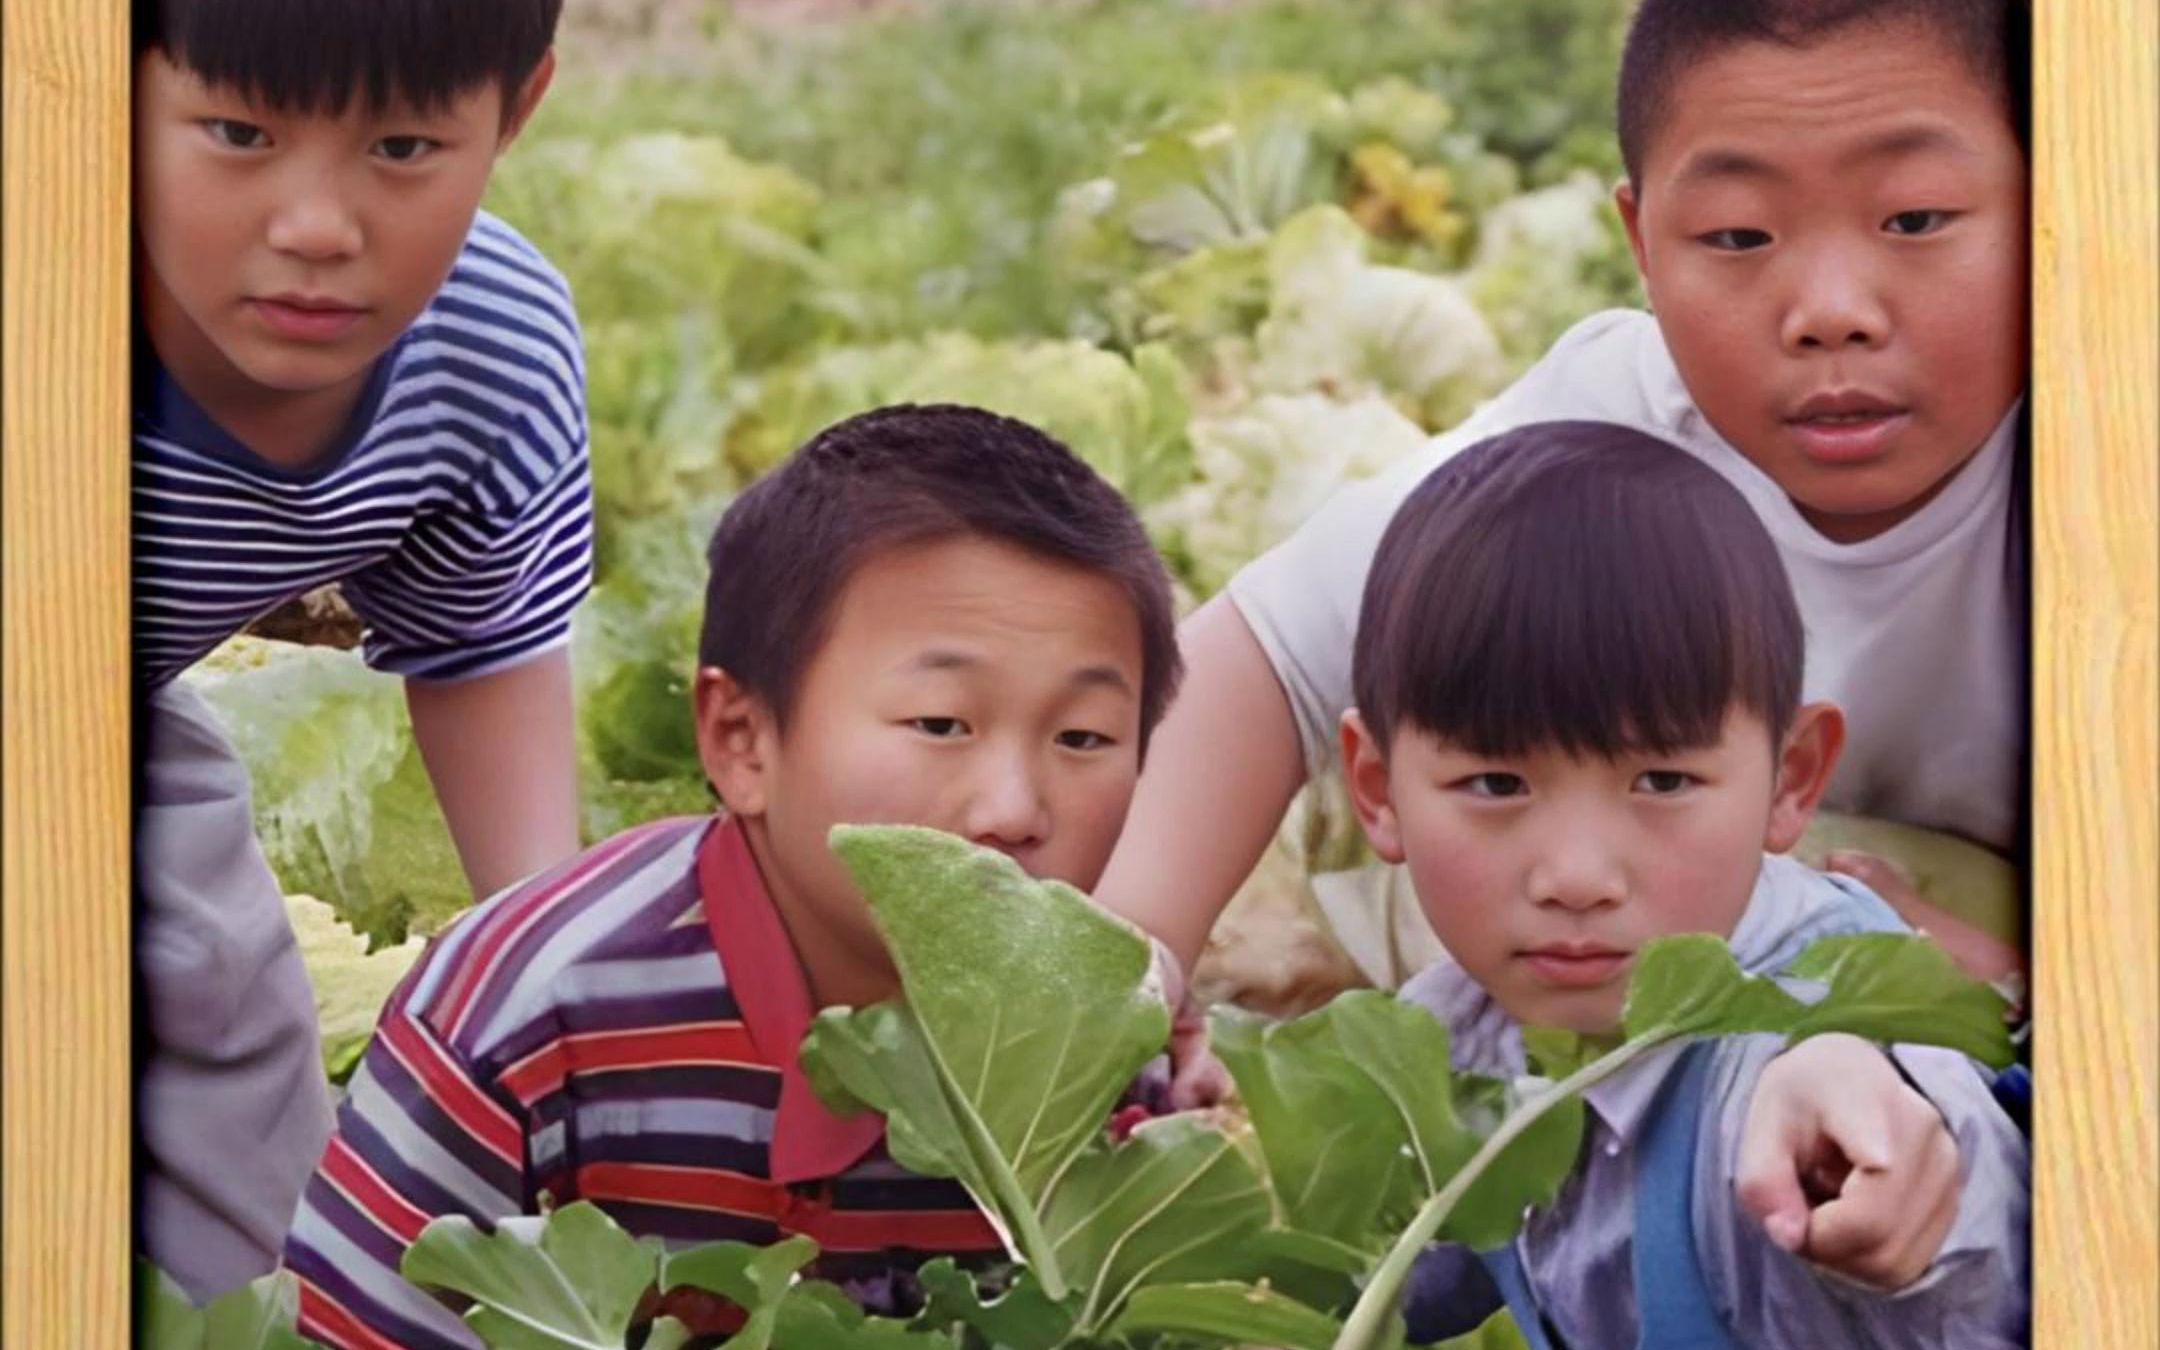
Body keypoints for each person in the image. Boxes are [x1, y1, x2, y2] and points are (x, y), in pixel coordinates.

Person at [1094, 0, 2032, 990]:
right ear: (1641, 241)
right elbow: (1261, 661)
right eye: (1737, 235)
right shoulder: (1611, 425)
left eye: (1917, 219)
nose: (1831, 312)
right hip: (1626, 975)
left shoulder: (2106, 447)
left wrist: (2046, 995)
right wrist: (1124, 984)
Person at [280, 405, 1186, 1349]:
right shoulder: (525, 1024)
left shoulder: (1098, 1043)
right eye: (941, 722)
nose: (1013, 809)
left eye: (1083, 738)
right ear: (742, 740)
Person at [1343, 424, 2027, 1348]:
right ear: (1379, 794)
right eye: (1497, 785)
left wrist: (1864, 1108)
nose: (1578, 879)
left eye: (1661, 782)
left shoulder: (1816, 1035)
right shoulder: (1455, 1038)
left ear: (1790, 780)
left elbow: (1952, 1180)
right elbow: (1384, 1284)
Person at [132, 0, 589, 1298]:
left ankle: (277, 1304)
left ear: (517, 107)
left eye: (400, 148)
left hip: (107, 705)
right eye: (237, 132)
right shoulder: (49, 273)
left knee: (213, 975)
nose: (317, 227)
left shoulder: (489, 352)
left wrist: (548, 1011)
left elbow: (483, 654)